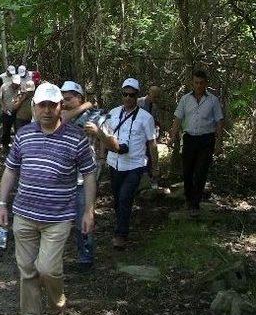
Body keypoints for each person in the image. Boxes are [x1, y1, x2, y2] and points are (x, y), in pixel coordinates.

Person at [0, 82, 97, 315]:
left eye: (53, 105)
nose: (48, 110)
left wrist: (88, 210)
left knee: (47, 269)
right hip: (24, 215)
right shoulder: (23, 135)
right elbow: (10, 171)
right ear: (34, 107)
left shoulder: (76, 137)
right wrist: (1, 203)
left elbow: (88, 174)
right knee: (27, 271)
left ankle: (56, 306)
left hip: (58, 218)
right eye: (43, 105)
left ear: (60, 107)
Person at [60, 81, 113, 272]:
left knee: (84, 217)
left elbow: (111, 141)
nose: (64, 102)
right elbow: (63, 119)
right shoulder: (58, 114)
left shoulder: (96, 117)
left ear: (79, 97)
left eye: (68, 98)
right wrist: (85, 104)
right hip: (60, 178)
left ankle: (86, 257)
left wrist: (98, 134)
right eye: (62, 98)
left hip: (84, 177)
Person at [103, 78, 158, 249]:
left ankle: (121, 234)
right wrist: (101, 155)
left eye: (131, 95)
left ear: (137, 96)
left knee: (126, 197)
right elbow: (104, 136)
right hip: (114, 163)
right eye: (125, 94)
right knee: (118, 199)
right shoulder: (112, 113)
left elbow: (152, 144)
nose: (127, 98)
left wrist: (155, 167)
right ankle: (121, 224)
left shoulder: (145, 118)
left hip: (135, 165)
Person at [169, 70, 224, 217]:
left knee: (201, 172)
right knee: (187, 171)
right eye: (196, 83)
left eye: (201, 83)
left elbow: (219, 121)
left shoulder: (213, 100)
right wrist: (172, 135)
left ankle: (195, 203)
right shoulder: (185, 99)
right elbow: (177, 119)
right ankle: (188, 198)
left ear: (206, 83)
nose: (199, 85)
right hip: (190, 139)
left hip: (207, 139)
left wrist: (219, 142)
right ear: (192, 83)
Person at [0, 75, 21, 151]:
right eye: (14, 84)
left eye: (17, 84)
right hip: (6, 111)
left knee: (18, 129)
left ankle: (17, 147)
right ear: (11, 82)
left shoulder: (20, 88)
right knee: (6, 129)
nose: (16, 85)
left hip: (17, 111)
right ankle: (5, 145)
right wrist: (4, 107)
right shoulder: (4, 86)